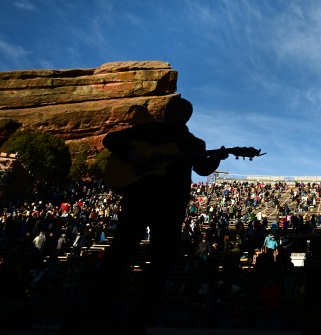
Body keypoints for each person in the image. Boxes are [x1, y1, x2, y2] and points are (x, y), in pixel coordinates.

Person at [62, 96, 229, 335]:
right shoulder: (150, 130)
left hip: (169, 204)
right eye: (175, 110)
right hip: (141, 197)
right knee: (122, 251)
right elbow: (112, 139)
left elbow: (201, 169)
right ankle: (99, 308)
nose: (177, 115)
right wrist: (134, 155)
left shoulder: (193, 142)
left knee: (158, 260)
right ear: (168, 112)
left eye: (182, 112)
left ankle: (139, 317)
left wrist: (215, 159)